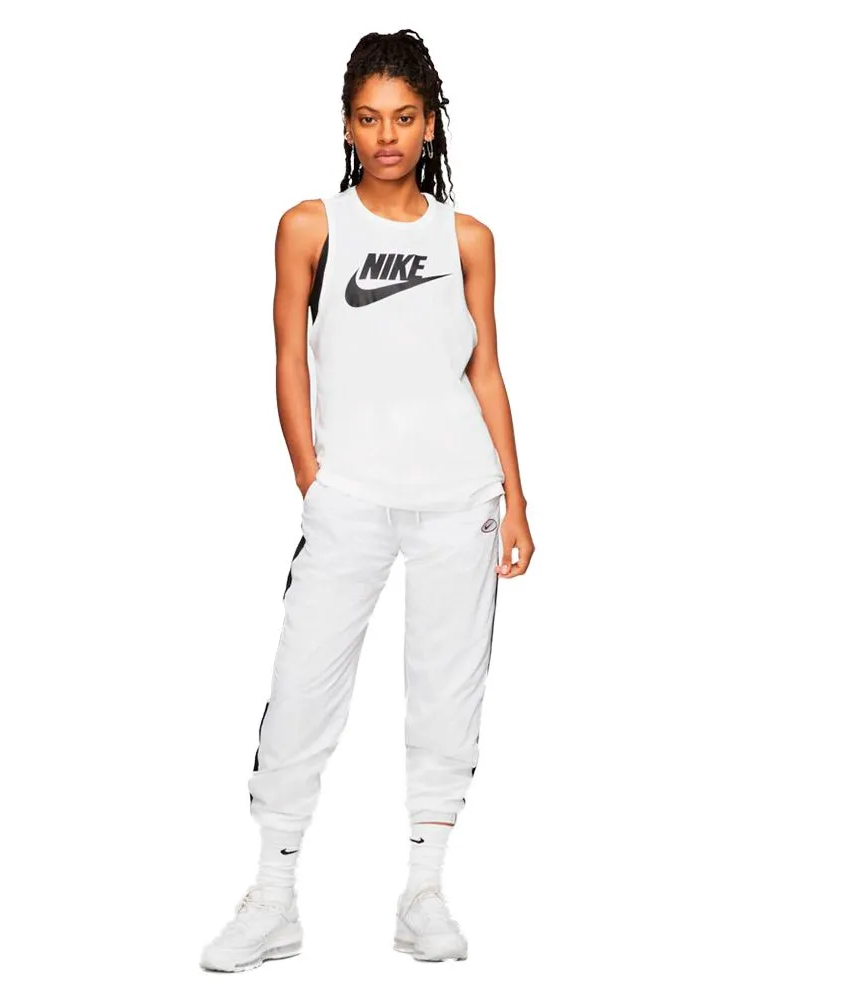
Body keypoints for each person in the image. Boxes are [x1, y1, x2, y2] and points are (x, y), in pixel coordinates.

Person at [200, 28, 534, 972]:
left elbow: (486, 371)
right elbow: (288, 356)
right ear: (347, 126)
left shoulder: (467, 239)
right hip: (348, 495)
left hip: (459, 496)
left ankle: (424, 893)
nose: (386, 136)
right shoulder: (312, 226)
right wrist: (311, 474)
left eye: (404, 117)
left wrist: (515, 500)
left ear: (430, 125)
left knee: (446, 692)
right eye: (368, 118)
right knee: (303, 687)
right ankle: (272, 898)